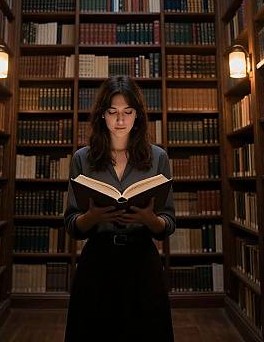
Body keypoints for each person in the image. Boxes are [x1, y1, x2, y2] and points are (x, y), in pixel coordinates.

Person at [64, 75, 176, 342]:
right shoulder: (82, 158)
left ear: (137, 115)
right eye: (112, 112)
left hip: (142, 261)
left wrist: (150, 220)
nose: (120, 120)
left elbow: (168, 222)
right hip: (98, 261)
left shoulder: (158, 157)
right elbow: (71, 223)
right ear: (102, 115)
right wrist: (91, 217)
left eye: (127, 112)